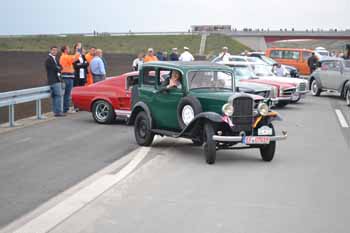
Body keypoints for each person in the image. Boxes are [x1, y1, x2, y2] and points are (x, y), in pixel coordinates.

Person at [45, 46, 65, 117]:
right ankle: (58, 112)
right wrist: (58, 68)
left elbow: (61, 67)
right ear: (50, 50)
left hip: (56, 79)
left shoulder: (55, 58)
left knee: (55, 96)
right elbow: (55, 69)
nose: (55, 51)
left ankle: (56, 112)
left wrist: (58, 68)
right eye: (53, 50)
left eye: (56, 50)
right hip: (54, 80)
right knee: (58, 96)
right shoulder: (49, 59)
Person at [59, 45, 79, 113]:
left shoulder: (64, 56)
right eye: (68, 48)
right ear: (65, 50)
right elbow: (74, 59)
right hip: (67, 77)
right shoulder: (65, 57)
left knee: (67, 94)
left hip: (68, 77)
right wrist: (77, 51)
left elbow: (73, 58)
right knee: (67, 94)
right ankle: (65, 109)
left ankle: (65, 108)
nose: (69, 49)